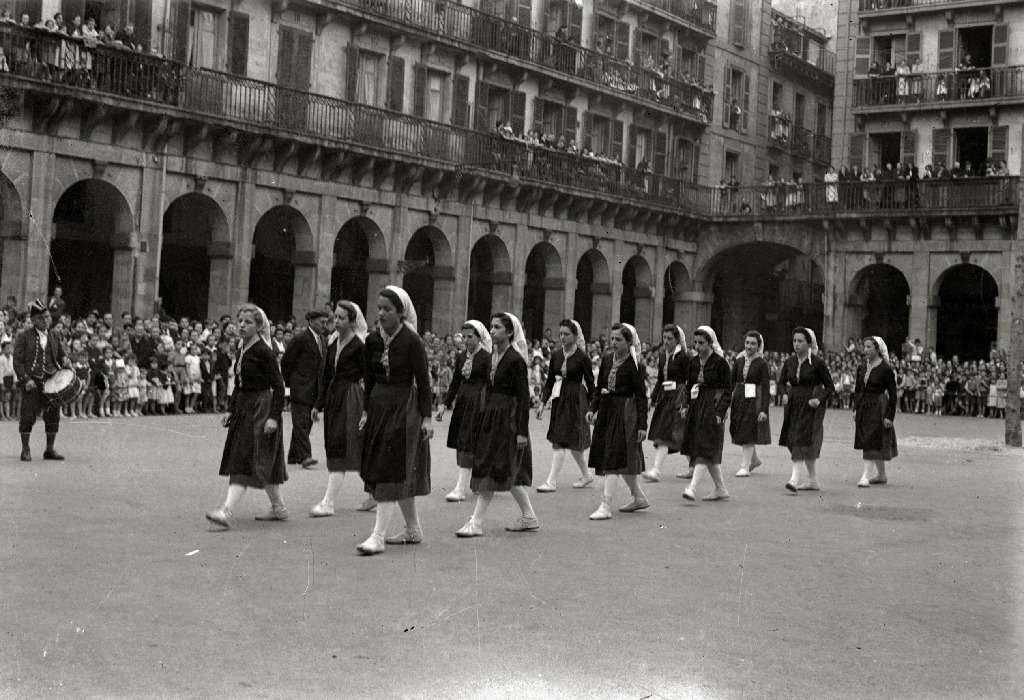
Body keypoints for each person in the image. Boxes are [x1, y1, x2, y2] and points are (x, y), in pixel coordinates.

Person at [356, 286, 433, 555]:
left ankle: (378, 536)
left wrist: (427, 418)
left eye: (388, 309)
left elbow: (423, 382)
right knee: (394, 468)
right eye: (379, 309)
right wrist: (366, 411)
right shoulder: (372, 341)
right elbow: (369, 377)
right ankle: (413, 529)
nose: (381, 314)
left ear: (401, 313)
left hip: (404, 407)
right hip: (379, 406)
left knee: (390, 468)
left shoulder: (411, 342)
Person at [205, 304, 288, 528]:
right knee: (260, 457)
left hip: (261, 409)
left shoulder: (264, 351)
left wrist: (273, 417)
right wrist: (231, 409)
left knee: (244, 457)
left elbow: (279, 387)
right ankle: (279, 507)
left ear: (259, 326)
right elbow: (238, 384)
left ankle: (226, 510)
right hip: (244, 407)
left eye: (248, 322)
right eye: (239, 320)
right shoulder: (242, 347)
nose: (241, 325)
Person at [456, 313, 539, 537]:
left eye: (497, 328)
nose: (491, 331)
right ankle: (529, 516)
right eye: (491, 327)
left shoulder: (515, 359)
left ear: (510, 332)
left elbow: (523, 398)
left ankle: (476, 522)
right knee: (500, 469)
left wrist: (522, 432)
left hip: (508, 418)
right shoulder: (494, 354)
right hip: (494, 415)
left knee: (494, 468)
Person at [310, 301, 369, 517]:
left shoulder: (359, 345)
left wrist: (366, 409)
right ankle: (374, 492)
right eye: (335, 317)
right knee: (341, 444)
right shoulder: (332, 342)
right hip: (335, 397)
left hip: (351, 397)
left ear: (352, 321)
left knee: (342, 444)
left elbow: (368, 378)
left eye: (341, 318)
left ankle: (328, 502)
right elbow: (326, 376)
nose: (336, 321)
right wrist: (318, 404)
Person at [586, 323, 649, 520]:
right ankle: (639, 498)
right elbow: (599, 387)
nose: (613, 342)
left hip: (625, 414)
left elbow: (641, 396)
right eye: (612, 339)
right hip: (607, 411)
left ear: (629, 342)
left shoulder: (635, 365)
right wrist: (592, 408)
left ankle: (605, 505)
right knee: (617, 457)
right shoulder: (606, 360)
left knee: (613, 458)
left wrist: (642, 425)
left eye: (618, 339)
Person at [536, 319, 595, 492]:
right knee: (562, 438)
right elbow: (549, 381)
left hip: (576, 399)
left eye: (567, 334)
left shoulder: (582, 357)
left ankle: (551, 482)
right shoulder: (556, 355)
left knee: (566, 440)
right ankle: (586, 475)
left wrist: (593, 408)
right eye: (561, 334)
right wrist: (542, 403)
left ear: (575, 336)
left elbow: (591, 384)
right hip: (559, 398)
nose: (562, 337)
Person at [436, 320, 491, 502]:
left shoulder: (486, 357)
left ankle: (462, 487)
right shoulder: (461, 357)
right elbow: (455, 382)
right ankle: (472, 482)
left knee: (471, 442)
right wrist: (444, 404)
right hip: (464, 402)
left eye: (470, 337)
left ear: (479, 337)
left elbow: (490, 384)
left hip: (479, 402)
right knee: (463, 442)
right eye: (464, 337)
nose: (465, 340)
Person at [778, 327, 834, 492]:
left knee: (800, 439)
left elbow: (830, 387)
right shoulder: (789, 362)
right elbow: (781, 382)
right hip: (793, 402)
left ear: (809, 343)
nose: (796, 344)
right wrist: (784, 394)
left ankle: (794, 479)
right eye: (794, 341)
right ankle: (813, 481)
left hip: (810, 403)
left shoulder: (817, 363)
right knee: (794, 438)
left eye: (801, 341)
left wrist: (819, 399)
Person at [679, 326, 732, 502]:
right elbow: (688, 385)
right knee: (705, 449)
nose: (697, 346)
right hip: (696, 405)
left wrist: (720, 411)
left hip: (712, 405)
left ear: (710, 343)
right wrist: (685, 404)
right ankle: (721, 488)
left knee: (705, 446)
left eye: (701, 343)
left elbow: (726, 390)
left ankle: (692, 487)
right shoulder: (693, 362)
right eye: (695, 343)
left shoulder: (720, 363)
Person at [13, 300, 70, 461]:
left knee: (53, 415)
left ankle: (49, 450)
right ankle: (25, 449)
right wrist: (26, 380)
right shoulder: (24, 336)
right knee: (28, 415)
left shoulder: (54, 335)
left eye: (48, 317)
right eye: (43, 317)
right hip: (32, 381)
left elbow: (61, 355)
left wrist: (65, 359)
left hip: (51, 381)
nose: (47, 320)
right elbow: (17, 362)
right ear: (34, 320)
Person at [280, 310, 328, 469]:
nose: (325, 325)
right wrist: (291, 382)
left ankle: (293, 455)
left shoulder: (323, 340)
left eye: (326, 322)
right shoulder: (300, 339)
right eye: (322, 322)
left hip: (315, 388)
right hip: (300, 386)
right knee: (301, 422)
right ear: (311, 322)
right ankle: (305, 456)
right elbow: (286, 361)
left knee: (306, 422)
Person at [642, 325, 689, 482]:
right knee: (670, 433)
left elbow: (688, 380)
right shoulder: (662, 357)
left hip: (678, 397)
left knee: (667, 434)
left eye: (670, 338)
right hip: (665, 397)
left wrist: (685, 402)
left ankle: (656, 470)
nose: (666, 341)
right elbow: (661, 380)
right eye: (664, 338)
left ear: (677, 339)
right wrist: (652, 398)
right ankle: (693, 467)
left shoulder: (683, 357)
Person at [854, 337, 898, 487]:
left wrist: (889, 416)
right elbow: (858, 389)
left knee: (871, 439)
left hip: (879, 406)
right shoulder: (861, 367)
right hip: (864, 406)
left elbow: (893, 394)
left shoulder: (886, 369)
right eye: (864, 347)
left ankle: (865, 476)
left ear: (877, 349)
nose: (865, 350)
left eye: (869, 347)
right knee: (871, 438)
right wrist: (855, 408)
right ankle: (881, 475)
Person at [730, 331, 771, 477]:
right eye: (747, 343)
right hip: (740, 397)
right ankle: (755, 460)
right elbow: (731, 381)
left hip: (754, 400)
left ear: (758, 346)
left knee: (748, 430)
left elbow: (766, 388)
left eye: (753, 343)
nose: (749, 346)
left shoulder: (761, 363)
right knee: (740, 429)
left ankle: (744, 467)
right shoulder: (739, 360)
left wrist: (764, 410)